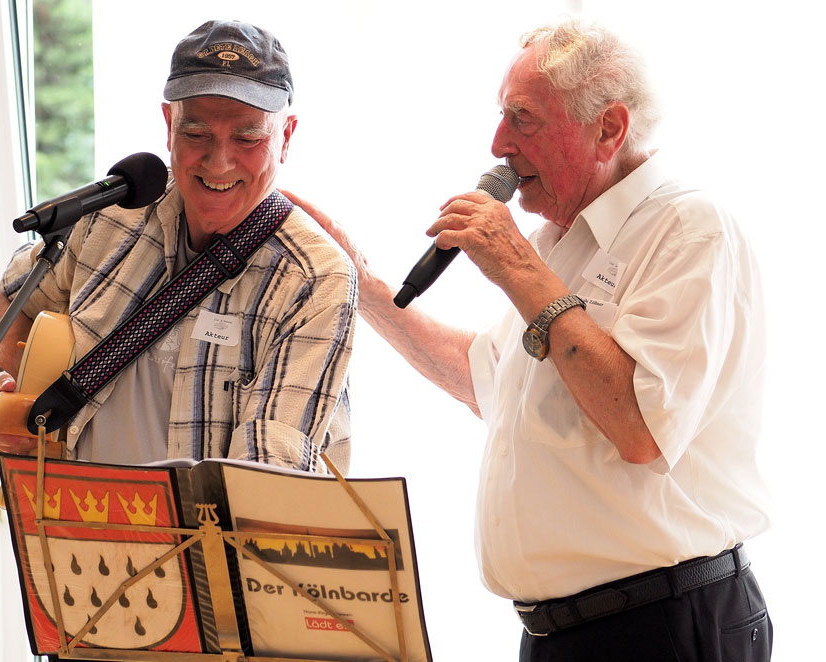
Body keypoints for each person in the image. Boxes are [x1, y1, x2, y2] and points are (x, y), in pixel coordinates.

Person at [286, 16, 772, 662]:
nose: (497, 144)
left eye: (524, 119)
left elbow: (639, 425)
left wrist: (518, 269)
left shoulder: (687, 228)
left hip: (664, 626)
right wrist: (362, 282)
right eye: (501, 116)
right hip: (565, 633)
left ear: (610, 129)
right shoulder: (561, 244)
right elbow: (477, 376)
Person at [0, 19, 357, 474]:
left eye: (248, 137)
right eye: (196, 134)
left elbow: (268, 475)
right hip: (75, 529)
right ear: (168, 125)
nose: (219, 161)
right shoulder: (108, 216)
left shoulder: (316, 279)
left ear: (286, 137)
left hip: (208, 541)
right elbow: (16, 292)